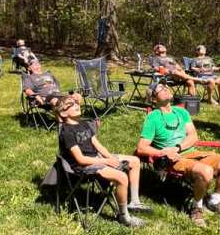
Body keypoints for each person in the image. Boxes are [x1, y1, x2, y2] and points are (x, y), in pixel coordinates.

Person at [136, 81, 220, 227]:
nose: (165, 88)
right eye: (160, 88)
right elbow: (141, 148)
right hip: (173, 160)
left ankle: (214, 201)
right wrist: (163, 152)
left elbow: (193, 136)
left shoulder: (181, 112)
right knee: (206, 171)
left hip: (190, 152)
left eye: (166, 86)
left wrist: (177, 147)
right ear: (154, 99)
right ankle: (196, 208)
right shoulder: (152, 118)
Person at [54, 96, 152, 227]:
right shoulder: (67, 132)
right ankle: (124, 217)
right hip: (83, 166)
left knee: (134, 161)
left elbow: (98, 145)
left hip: (98, 158)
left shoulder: (84, 124)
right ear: (63, 113)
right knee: (122, 176)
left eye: (76, 102)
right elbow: (80, 159)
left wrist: (109, 157)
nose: (76, 105)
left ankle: (134, 201)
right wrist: (106, 162)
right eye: (70, 104)